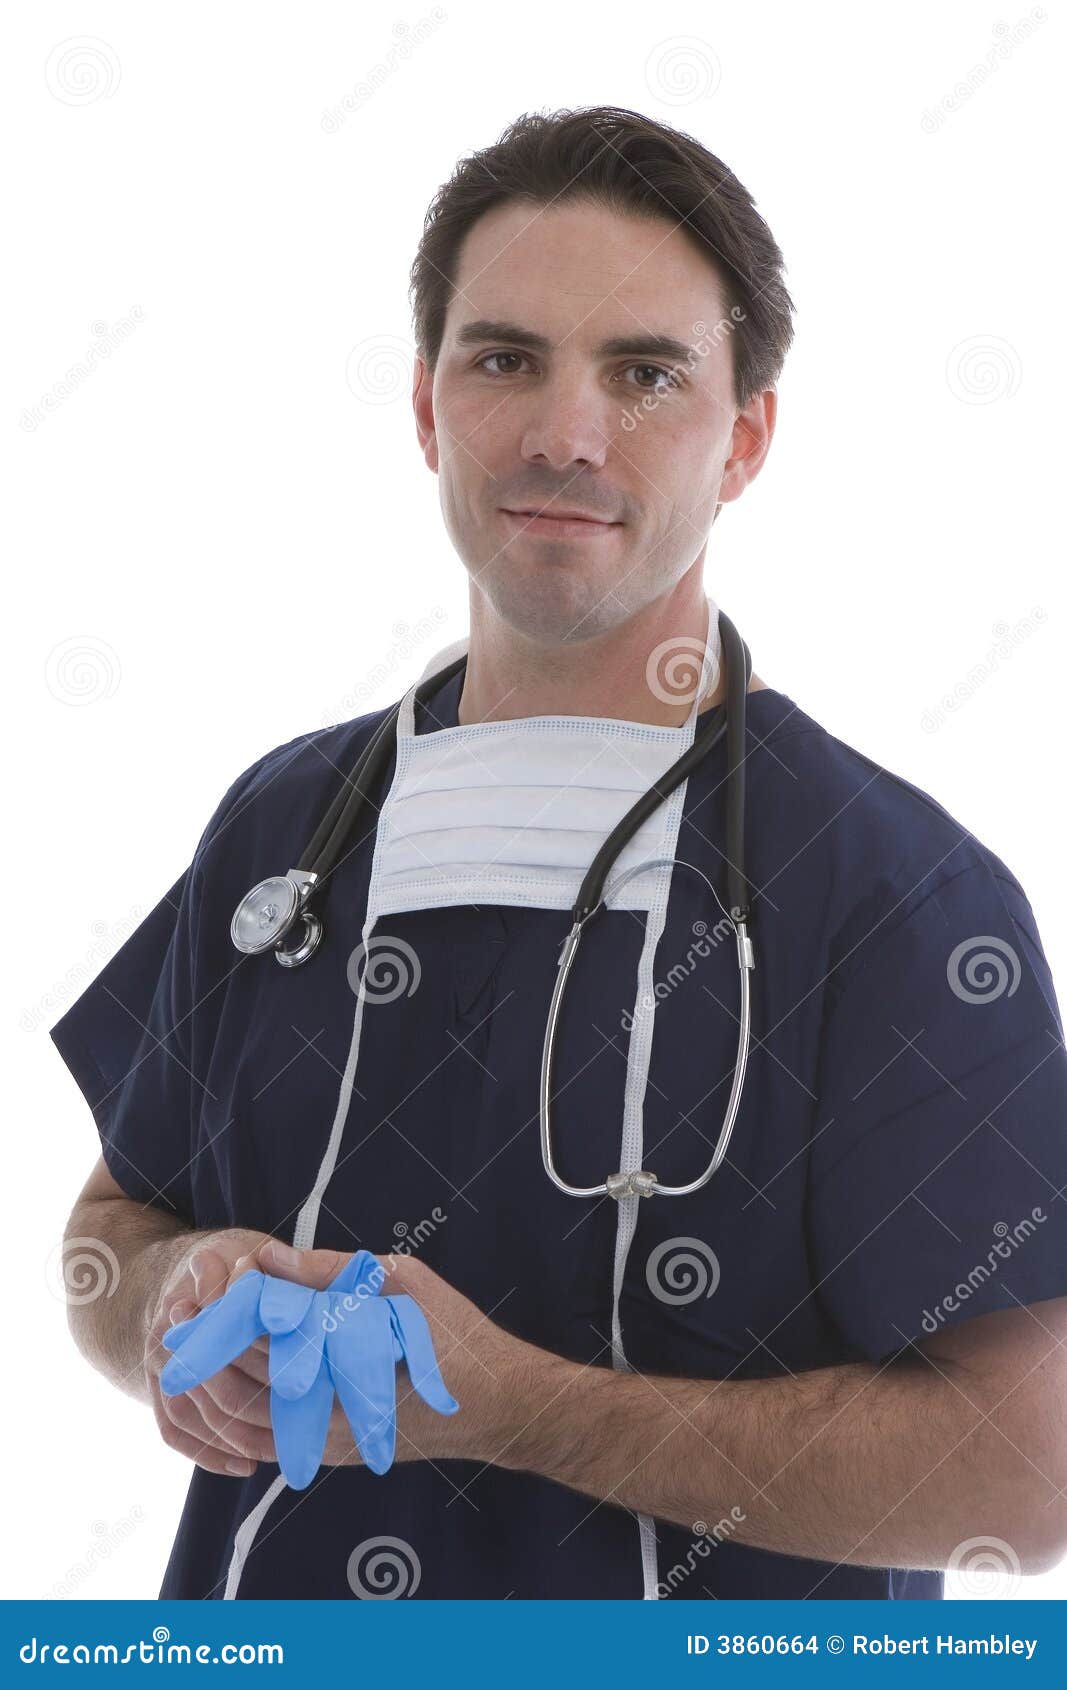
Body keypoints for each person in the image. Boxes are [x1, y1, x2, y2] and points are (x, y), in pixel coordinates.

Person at [51, 105, 1067, 1602]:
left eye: (645, 374)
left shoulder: (889, 896)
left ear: (747, 437)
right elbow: (110, 1224)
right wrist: (160, 1308)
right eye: (504, 358)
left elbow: (1025, 1475)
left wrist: (519, 1406)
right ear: (424, 405)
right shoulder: (285, 832)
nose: (563, 435)